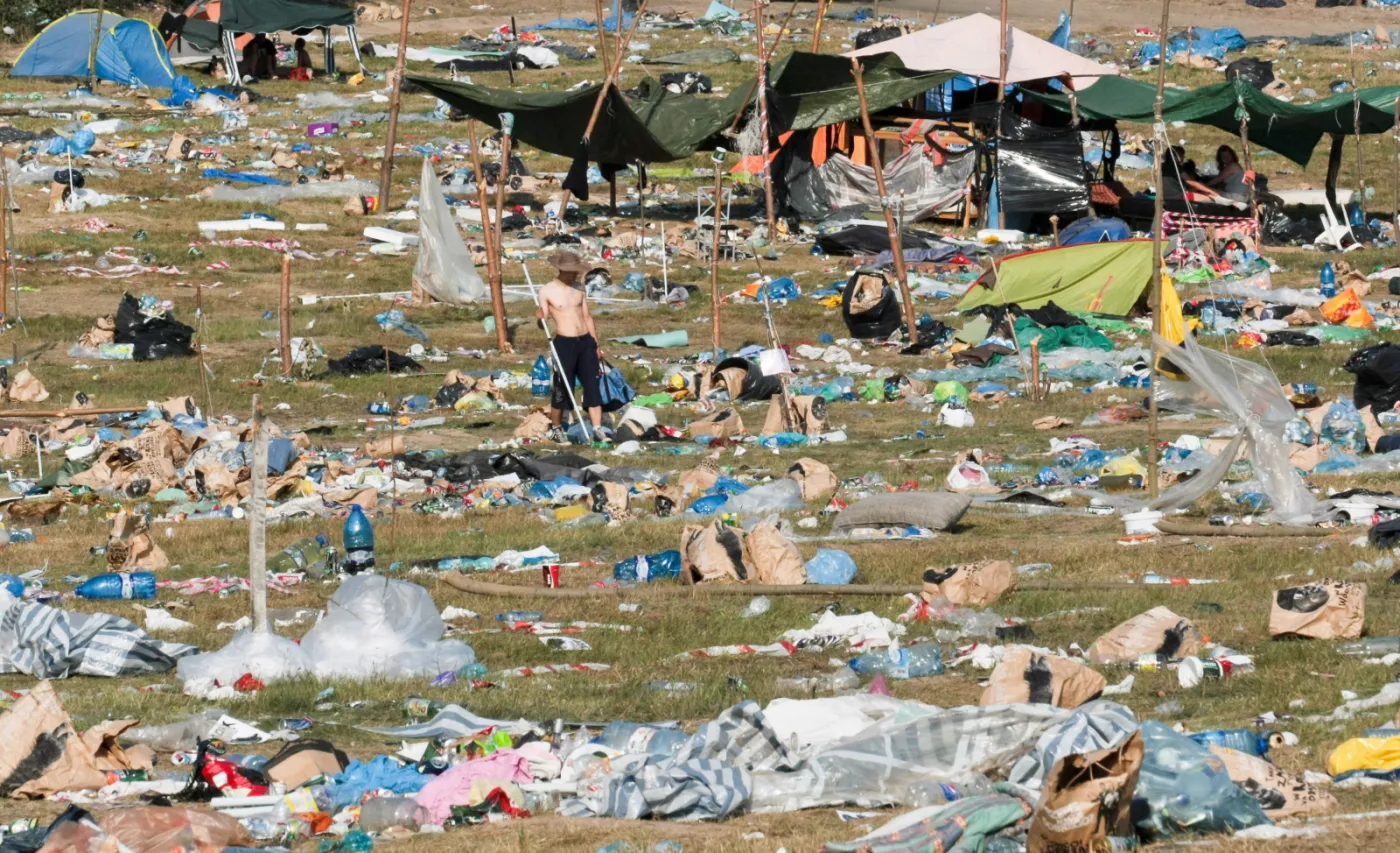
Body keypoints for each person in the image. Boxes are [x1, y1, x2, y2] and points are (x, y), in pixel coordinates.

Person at [536, 251, 606, 443]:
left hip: (585, 342)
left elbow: (587, 317)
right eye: (570, 271)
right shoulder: (547, 290)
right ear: (560, 269)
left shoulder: (580, 288)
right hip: (564, 343)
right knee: (562, 387)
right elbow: (544, 320)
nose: (574, 274)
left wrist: (595, 344)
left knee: (592, 385)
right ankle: (557, 428)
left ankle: (598, 429)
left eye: (576, 271)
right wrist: (540, 319)